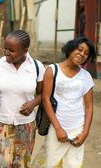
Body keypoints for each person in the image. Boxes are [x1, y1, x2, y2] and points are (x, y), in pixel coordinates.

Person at [0, 30, 45, 168]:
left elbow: (43, 94)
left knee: (22, 163)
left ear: (25, 51)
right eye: (5, 48)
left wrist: (33, 103)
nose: (6, 52)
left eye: (11, 50)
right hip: (1, 122)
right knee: (1, 163)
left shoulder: (37, 67)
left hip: (26, 124)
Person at [42, 36, 95, 167]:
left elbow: (89, 106)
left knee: (73, 165)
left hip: (77, 128)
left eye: (86, 53)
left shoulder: (86, 76)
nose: (82, 54)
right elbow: (45, 99)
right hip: (56, 127)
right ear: (70, 49)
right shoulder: (52, 70)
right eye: (80, 49)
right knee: (51, 163)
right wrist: (58, 128)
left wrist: (85, 133)